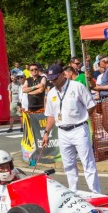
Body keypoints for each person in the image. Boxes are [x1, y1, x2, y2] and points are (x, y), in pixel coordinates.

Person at [41, 64, 101, 193]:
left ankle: (96, 192)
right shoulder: (51, 93)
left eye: (55, 78)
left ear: (63, 74)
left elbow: (91, 105)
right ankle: (73, 191)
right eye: (51, 79)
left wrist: (83, 117)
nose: (53, 81)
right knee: (68, 165)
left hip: (79, 129)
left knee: (88, 162)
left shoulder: (77, 87)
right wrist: (46, 133)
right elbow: (51, 115)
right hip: (62, 132)